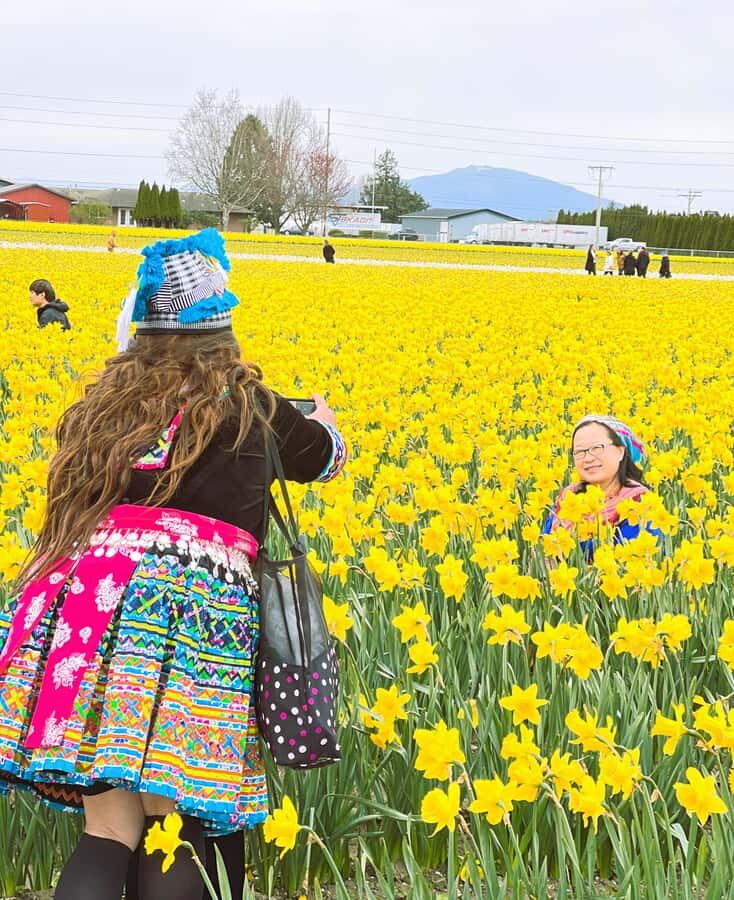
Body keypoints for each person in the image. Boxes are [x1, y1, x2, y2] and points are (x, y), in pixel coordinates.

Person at [0, 228, 347, 900]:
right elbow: (324, 459)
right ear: (221, 324)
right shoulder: (248, 400)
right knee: (175, 821)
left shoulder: (104, 402)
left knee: (108, 827)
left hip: (89, 600)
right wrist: (326, 423)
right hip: (195, 613)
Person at [542, 414, 662, 561]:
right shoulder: (568, 497)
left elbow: (631, 562)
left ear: (620, 451)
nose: (588, 458)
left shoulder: (640, 503)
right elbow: (544, 548)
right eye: (580, 451)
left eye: (596, 448)